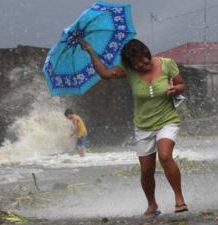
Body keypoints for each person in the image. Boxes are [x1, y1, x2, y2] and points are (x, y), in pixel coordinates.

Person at [80, 38, 188, 217]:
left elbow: (181, 84)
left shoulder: (167, 64)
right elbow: (105, 75)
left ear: (147, 53)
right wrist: (90, 50)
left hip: (167, 120)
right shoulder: (129, 71)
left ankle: (179, 199)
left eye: (144, 59)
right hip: (143, 126)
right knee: (146, 170)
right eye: (136, 63)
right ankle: (152, 205)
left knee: (165, 155)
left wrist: (176, 89)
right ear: (130, 64)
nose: (142, 64)